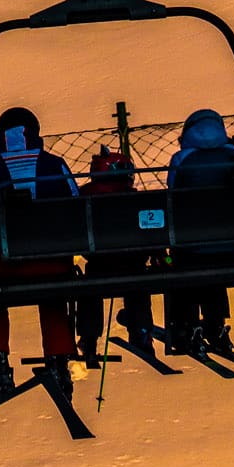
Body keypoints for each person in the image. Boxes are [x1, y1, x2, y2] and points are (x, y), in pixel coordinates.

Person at [0, 106, 80, 406]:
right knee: (53, 297)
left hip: (10, 268)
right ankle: (58, 361)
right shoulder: (54, 164)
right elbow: (75, 205)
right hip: (53, 264)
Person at [162, 108, 234, 357]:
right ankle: (214, 324)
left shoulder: (182, 159)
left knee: (186, 262)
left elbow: (172, 196)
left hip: (190, 251)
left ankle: (186, 324)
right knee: (214, 258)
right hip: (231, 249)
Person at [70, 147, 159, 362]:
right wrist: (160, 255)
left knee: (89, 283)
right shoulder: (133, 198)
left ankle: (89, 337)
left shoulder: (84, 197)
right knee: (138, 279)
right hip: (133, 264)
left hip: (99, 265)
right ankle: (142, 331)